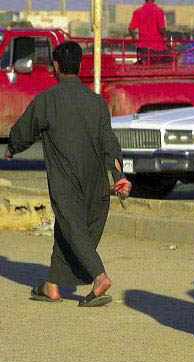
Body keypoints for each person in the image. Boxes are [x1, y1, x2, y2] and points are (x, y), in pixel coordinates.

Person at [3, 41, 131, 307]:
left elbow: (24, 130)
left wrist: (12, 148)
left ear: (56, 66)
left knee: (73, 228)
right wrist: (119, 176)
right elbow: (110, 143)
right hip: (97, 184)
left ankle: (100, 275)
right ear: (81, 65)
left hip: (67, 182)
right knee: (68, 228)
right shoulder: (97, 102)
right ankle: (51, 285)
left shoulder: (47, 100)